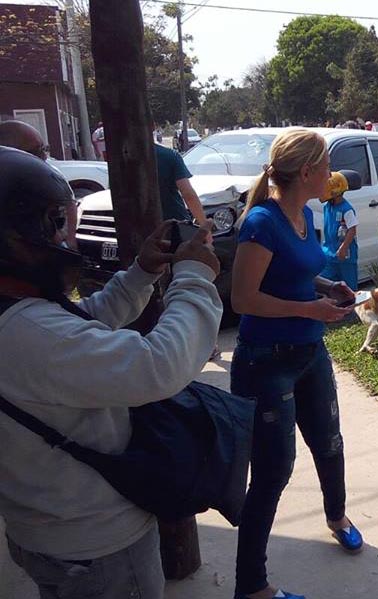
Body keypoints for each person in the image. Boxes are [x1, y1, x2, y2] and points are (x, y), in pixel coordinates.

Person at [0, 146, 222, 599]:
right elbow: (157, 366)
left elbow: (82, 325)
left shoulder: (20, 315)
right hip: (96, 545)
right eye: (55, 224)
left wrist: (140, 273)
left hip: (49, 531)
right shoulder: (25, 331)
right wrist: (195, 279)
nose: (64, 239)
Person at [230, 128, 360, 599]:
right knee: (272, 471)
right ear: (307, 172)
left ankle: (336, 516)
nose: (332, 174)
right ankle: (252, 587)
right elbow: (243, 298)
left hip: (309, 353)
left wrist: (326, 289)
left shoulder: (304, 213)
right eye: (327, 166)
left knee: (329, 443)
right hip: (267, 361)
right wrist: (310, 309)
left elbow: (299, 272)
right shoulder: (262, 223)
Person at [0, 120, 79, 249]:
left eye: (44, 149)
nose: (44, 157)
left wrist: (70, 243)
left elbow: (69, 205)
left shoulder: (49, 175)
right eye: (35, 152)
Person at [154, 133, 207, 225]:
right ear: (153, 126)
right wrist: (205, 229)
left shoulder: (123, 159)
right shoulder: (169, 156)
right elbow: (188, 195)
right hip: (173, 224)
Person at [319, 171, 359, 290]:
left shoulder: (346, 209)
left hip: (345, 256)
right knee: (326, 284)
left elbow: (352, 229)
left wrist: (344, 247)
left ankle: (352, 308)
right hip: (329, 253)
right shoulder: (327, 207)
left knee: (349, 288)